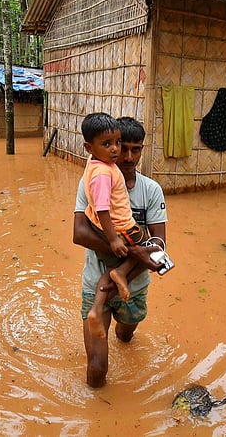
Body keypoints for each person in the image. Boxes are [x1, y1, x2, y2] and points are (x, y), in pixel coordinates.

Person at [73, 116, 167, 388]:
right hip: (95, 284)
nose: (126, 156)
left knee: (126, 336)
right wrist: (132, 252)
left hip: (134, 287)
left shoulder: (151, 190)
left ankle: (120, 293)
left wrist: (134, 256)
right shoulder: (94, 179)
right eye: (120, 147)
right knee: (97, 368)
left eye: (134, 149)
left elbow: (160, 244)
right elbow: (79, 233)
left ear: (141, 149)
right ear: (96, 148)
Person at [79, 113, 152, 336]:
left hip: (104, 227)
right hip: (120, 227)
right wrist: (112, 239)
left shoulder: (96, 166)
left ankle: (98, 308)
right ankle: (119, 276)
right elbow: (102, 207)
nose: (117, 151)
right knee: (146, 247)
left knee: (114, 269)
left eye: (117, 143)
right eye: (108, 144)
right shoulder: (103, 173)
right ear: (89, 147)